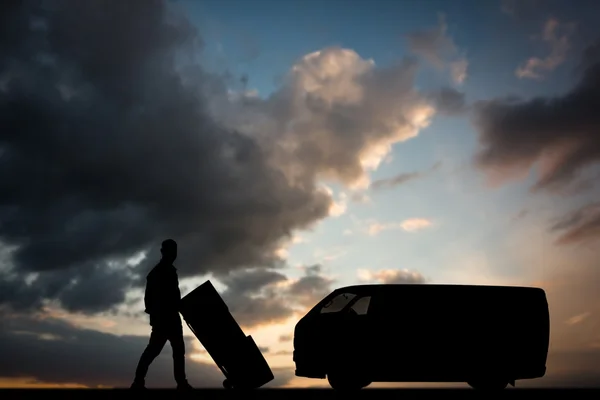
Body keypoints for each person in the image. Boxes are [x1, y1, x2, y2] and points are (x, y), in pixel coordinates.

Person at [131, 239, 193, 390]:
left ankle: (181, 383)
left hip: (169, 317)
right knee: (155, 350)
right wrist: (156, 315)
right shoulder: (159, 272)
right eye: (172, 251)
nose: (174, 254)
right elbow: (150, 299)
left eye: (175, 251)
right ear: (164, 252)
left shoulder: (166, 271)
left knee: (174, 350)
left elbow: (170, 297)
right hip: (165, 319)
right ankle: (138, 382)